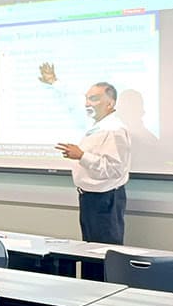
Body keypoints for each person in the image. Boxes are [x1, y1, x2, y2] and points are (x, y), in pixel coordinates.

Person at [55, 82, 131, 244]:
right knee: (89, 252)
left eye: (94, 99)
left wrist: (81, 155)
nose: (87, 103)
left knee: (102, 254)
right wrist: (55, 84)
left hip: (105, 199)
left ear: (110, 103)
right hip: (90, 198)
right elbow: (71, 107)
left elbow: (115, 169)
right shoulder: (97, 126)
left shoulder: (114, 130)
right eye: (87, 98)